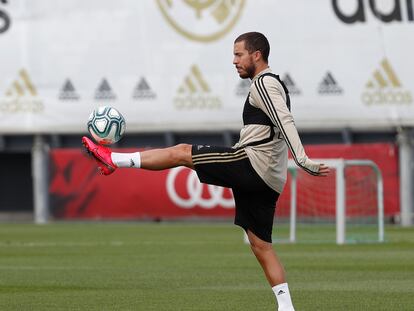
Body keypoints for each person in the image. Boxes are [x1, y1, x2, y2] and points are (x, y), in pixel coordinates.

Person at [82, 31, 330, 311]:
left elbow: (284, 120)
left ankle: (113, 159)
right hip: (270, 178)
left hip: (252, 163)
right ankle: (287, 308)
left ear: (256, 55)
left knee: (182, 152)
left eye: (239, 54)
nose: (234, 61)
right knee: (260, 244)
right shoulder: (268, 84)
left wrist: (302, 158)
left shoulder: (264, 83)